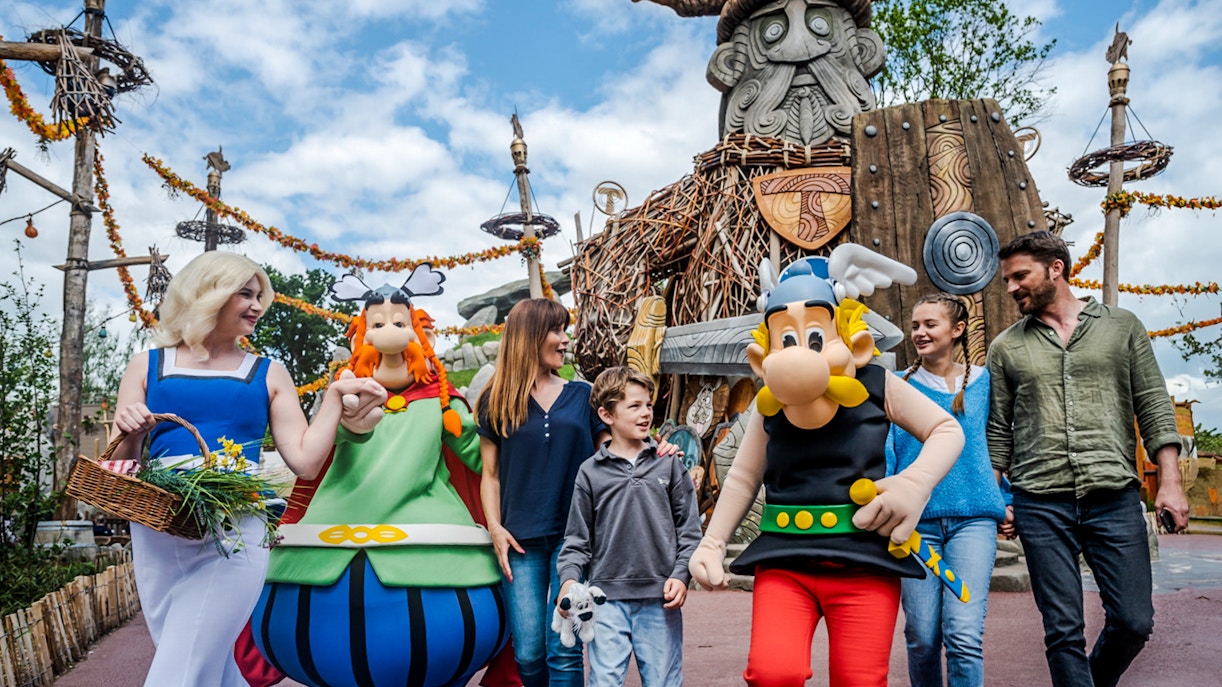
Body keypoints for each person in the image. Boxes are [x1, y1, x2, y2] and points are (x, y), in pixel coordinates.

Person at [110, 251, 384, 687]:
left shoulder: (270, 373)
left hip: (236, 525)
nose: (257, 305)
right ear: (208, 293)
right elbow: (118, 467)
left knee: (180, 667)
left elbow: (305, 461)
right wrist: (127, 432)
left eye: (260, 296)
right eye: (245, 293)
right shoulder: (146, 366)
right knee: (203, 660)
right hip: (158, 525)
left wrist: (333, 399)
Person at [986, 231, 1189, 687]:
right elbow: (998, 432)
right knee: (1063, 632)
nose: (1012, 287)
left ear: (1056, 268)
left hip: (1113, 497)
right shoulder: (1006, 347)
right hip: (1040, 501)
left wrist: (1171, 483)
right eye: (1007, 280)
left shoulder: (1123, 326)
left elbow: (1154, 405)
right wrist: (995, 498)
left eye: (1020, 275)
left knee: (1134, 621)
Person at [478, 298, 609, 687]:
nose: (565, 339)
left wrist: (659, 449)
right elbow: (490, 474)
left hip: (575, 538)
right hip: (519, 540)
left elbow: (614, 453)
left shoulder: (584, 395)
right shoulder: (494, 400)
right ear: (531, 336)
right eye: (556, 330)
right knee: (529, 652)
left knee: (564, 648)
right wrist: (495, 529)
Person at [887, 293, 1007, 687]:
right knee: (922, 636)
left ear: (957, 330)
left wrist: (1006, 500)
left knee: (964, 634)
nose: (919, 332)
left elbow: (998, 443)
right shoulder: (898, 386)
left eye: (930, 325)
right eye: (916, 325)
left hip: (973, 522)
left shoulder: (984, 382)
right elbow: (887, 453)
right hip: (916, 526)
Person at [556, 367, 702, 687]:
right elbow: (577, 539)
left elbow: (689, 531)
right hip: (605, 600)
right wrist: (568, 581)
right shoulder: (590, 473)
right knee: (604, 681)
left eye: (648, 405)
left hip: (660, 599)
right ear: (606, 414)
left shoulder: (670, 463)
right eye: (634, 406)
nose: (646, 413)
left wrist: (681, 575)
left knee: (663, 681)